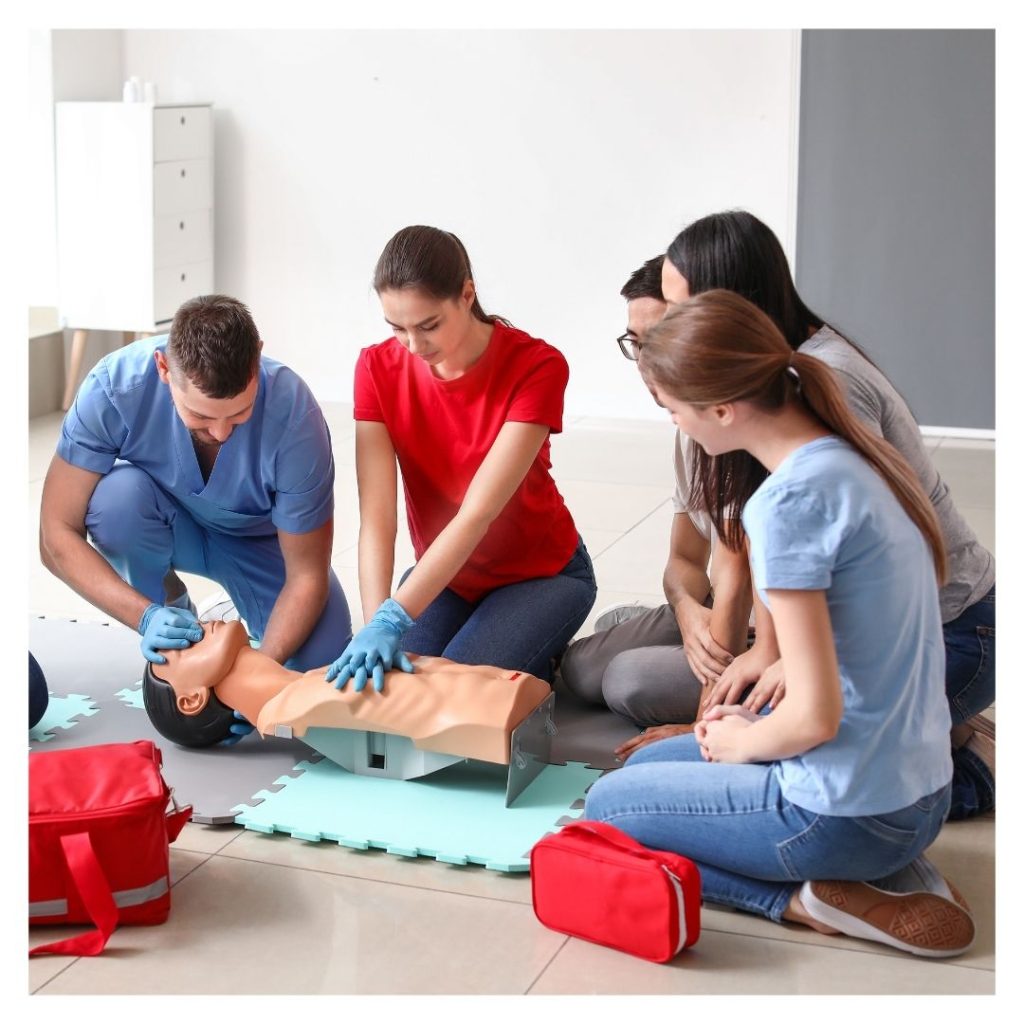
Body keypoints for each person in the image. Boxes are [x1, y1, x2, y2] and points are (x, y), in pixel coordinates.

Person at [585, 289, 974, 958]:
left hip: (845, 813)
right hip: (920, 793)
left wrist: (749, 743)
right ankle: (889, 873)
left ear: (722, 411)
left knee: (605, 812)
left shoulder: (787, 506)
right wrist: (750, 730)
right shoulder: (855, 459)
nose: (679, 427)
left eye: (675, 411)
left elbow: (816, 719)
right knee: (656, 760)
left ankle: (806, 898)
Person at [648, 209, 995, 820]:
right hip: (872, 630)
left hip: (952, 631)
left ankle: (984, 765)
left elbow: (815, 542)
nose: (672, 325)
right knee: (717, 725)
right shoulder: (783, 382)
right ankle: (954, 733)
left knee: (792, 755)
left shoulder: (821, 387)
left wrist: (759, 695)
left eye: (681, 308)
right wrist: (762, 658)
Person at [326, 225, 596, 693]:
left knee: (450, 692)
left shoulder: (537, 366)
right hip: (447, 576)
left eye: (428, 325)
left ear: (467, 295)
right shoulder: (375, 368)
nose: (413, 345)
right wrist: (376, 622)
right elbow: (377, 518)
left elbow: (477, 514)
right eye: (397, 328)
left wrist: (397, 616)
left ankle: (546, 654)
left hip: (541, 574)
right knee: (391, 687)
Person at [39, 295, 352, 691]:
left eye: (240, 413)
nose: (221, 432)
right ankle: (172, 611)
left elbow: (307, 576)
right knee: (115, 502)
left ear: (257, 359)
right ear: (164, 368)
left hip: (259, 541)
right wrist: (145, 616)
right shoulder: (114, 388)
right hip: (162, 521)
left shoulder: (295, 417)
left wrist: (262, 674)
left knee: (318, 665)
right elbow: (54, 535)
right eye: (201, 416)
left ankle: (226, 615)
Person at [559, 257, 753, 727]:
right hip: (720, 611)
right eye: (636, 343)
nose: (646, 363)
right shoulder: (690, 430)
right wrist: (687, 614)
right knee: (579, 670)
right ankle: (655, 627)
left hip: (775, 636)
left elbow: (736, 583)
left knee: (626, 680)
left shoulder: (738, 433)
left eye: (661, 340)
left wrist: (700, 733)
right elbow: (684, 559)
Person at [145, 620, 551, 770]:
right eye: (181, 649)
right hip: (501, 707)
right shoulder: (311, 703)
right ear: (192, 699)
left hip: (508, 693)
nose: (195, 628)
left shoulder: (315, 681)